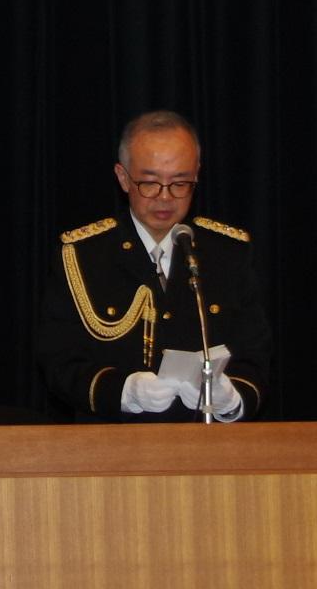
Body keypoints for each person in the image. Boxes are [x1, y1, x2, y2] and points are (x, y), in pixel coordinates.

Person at [35, 110, 271, 421]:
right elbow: (59, 359)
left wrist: (232, 398)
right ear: (123, 177)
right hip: (110, 447)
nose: (164, 197)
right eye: (149, 182)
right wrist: (123, 390)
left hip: (207, 446)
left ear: (197, 174)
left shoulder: (227, 254)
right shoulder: (85, 256)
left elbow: (255, 353)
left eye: (180, 183)